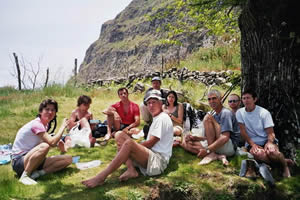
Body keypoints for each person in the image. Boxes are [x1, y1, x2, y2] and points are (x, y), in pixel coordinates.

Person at [82, 89, 173, 188]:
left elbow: (151, 143)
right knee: (119, 135)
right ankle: (131, 170)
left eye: (154, 102)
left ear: (160, 103)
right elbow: (106, 111)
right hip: (150, 156)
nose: (151, 105)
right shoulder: (157, 117)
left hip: (158, 161)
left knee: (128, 143)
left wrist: (130, 147)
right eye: (149, 103)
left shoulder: (162, 118)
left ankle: (101, 177)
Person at [11, 99, 72, 185]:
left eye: (53, 110)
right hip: (19, 162)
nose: (50, 112)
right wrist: (62, 127)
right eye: (47, 109)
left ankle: (36, 174)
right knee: (45, 146)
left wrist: (60, 145)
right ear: (40, 111)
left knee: (68, 159)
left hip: (34, 159)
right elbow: (51, 142)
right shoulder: (37, 124)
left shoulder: (45, 124)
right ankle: (25, 176)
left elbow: (50, 141)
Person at [236, 89, 293, 177]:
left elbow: (270, 132)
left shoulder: (264, 113)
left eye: (248, 98)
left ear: (254, 99)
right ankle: (283, 162)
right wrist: (253, 144)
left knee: (272, 152)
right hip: (252, 142)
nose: (246, 100)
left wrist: (269, 142)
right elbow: (243, 132)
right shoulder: (240, 112)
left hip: (267, 139)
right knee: (258, 154)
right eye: (243, 98)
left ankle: (285, 167)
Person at [181, 89, 240, 165]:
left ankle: (211, 153)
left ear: (220, 99)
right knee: (186, 144)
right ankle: (218, 156)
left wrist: (207, 150)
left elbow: (225, 137)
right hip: (218, 143)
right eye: (209, 99)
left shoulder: (225, 113)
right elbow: (210, 137)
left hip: (229, 146)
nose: (211, 101)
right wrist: (196, 138)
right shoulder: (213, 113)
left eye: (214, 98)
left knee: (208, 117)